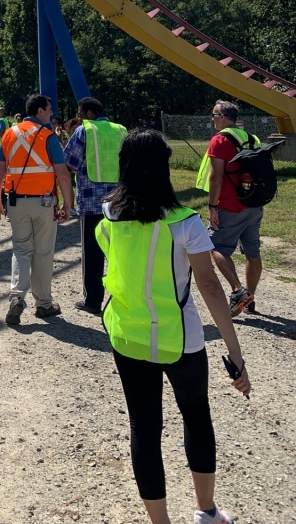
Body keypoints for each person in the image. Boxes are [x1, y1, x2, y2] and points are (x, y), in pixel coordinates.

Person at [97, 128, 250, 524]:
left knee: (144, 429)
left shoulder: (110, 213)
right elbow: (212, 290)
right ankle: (206, 511)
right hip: (180, 340)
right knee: (196, 415)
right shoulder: (185, 223)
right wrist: (235, 354)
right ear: (164, 169)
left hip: (127, 336)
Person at [0, 93, 73, 323]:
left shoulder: (9, 133)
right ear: (39, 111)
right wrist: (68, 203)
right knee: (44, 252)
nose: (51, 114)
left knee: (21, 249)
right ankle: (44, 303)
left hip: (15, 202)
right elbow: (62, 174)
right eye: (49, 109)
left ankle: (17, 296)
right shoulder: (48, 136)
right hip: (44, 203)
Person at [196, 100, 264, 316]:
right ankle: (250, 299)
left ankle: (238, 291)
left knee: (216, 247)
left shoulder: (220, 139)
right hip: (254, 203)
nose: (212, 119)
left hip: (229, 205)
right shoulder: (252, 139)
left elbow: (216, 177)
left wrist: (212, 206)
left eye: (214, 115)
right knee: (252, 252)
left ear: (223, 116)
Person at [63, 97, 127, 315]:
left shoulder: (84, 131)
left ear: (90, 113)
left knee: (92, 253)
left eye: (80, 113)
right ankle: (123, 298)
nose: (78, 117)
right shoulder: (121, 130)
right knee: (119, 251)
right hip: (119, 201)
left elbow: (70, 162)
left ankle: (93, 300)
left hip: (91, 201)